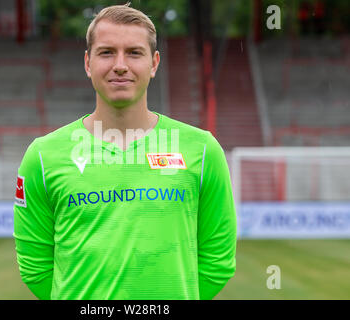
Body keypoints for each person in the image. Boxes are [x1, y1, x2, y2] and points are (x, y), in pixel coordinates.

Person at [13, 3, 236, 300]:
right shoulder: (42, 157)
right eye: (106, 52)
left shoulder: (203, 150)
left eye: (134, 52)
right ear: (88, 63)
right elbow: (35, 267)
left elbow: (217, 262)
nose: (120, 65)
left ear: (154, 63)